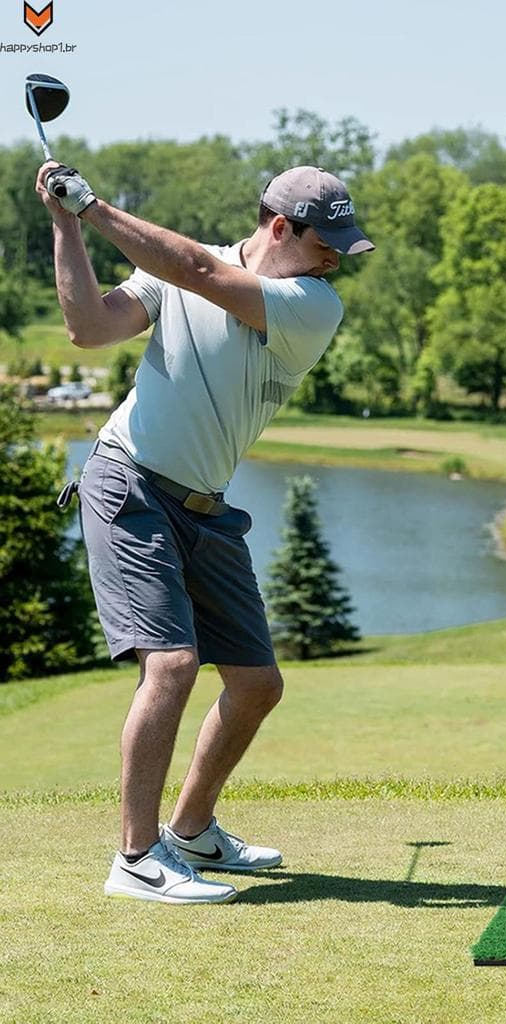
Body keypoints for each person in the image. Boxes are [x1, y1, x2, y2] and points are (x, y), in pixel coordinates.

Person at [36, 160, 374, 904]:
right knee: (173, 665)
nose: (337, 259)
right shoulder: (181, 271)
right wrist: (68, 225)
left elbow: (194, 268)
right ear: (280, 227)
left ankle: (189, 830)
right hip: (129, 480)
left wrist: (91, 204)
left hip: (205, 507)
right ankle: (135, 858)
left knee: (256, 684)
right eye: (329, 242)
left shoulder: (310, 303)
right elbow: (90, 329)